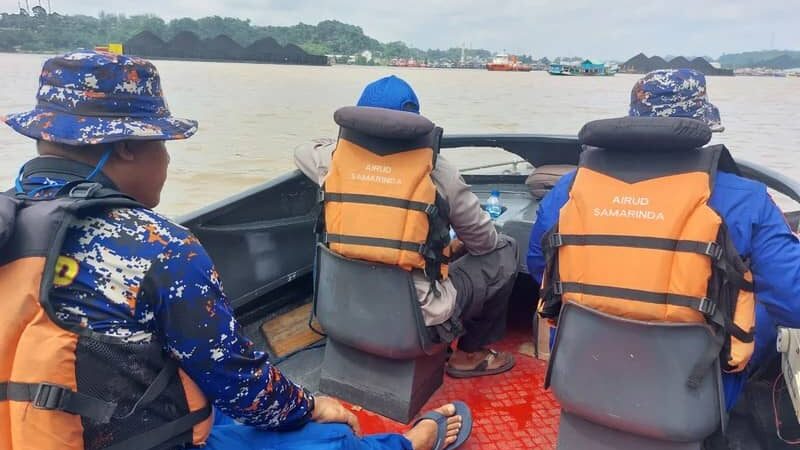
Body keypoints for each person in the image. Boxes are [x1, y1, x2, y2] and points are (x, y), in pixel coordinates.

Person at [0, 50, 470, 450]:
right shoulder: (159, 249)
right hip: (145, 435)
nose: (166, 159)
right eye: (162, 144)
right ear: (126, 147)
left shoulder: (11, 221)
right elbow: (249, 391)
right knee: (330, 437)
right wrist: (314, 404)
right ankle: (407, 443)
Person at [527, 68, 800, 433]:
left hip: (581, 373)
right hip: (690, 396)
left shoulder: (568, 190)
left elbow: (537, 267)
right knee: (761, 310)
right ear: (703, 125)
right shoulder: (745, 198)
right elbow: (794, 301)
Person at [294, 75, 519, 378]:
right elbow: (485, 243)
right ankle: (468, 355)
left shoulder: (331, 160)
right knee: (505, 250)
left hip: (339, 313)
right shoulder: (439, 171)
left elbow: (301, 149)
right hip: (415, 326)